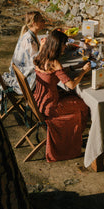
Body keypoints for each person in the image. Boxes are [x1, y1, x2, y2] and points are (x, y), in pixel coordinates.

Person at [33, 29, 91, 162]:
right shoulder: (54, 62)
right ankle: (72, 140)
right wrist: (83, 71)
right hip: (52, 107)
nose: (66, 47)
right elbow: (71, 85)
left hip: (40, 101)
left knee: (75, 98)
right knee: (83, 105)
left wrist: (73, 68)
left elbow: (55, 73)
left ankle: (75, 137)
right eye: (64, 44)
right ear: (58, 46)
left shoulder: (41, 55)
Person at [2, 11, 46, 94]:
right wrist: (42, 48)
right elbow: (36, 62)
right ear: (34, 23)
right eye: (41, 20)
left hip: (18, 72)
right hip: (23, 78)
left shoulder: (29, 34)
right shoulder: (29, 40)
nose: (44, 22)